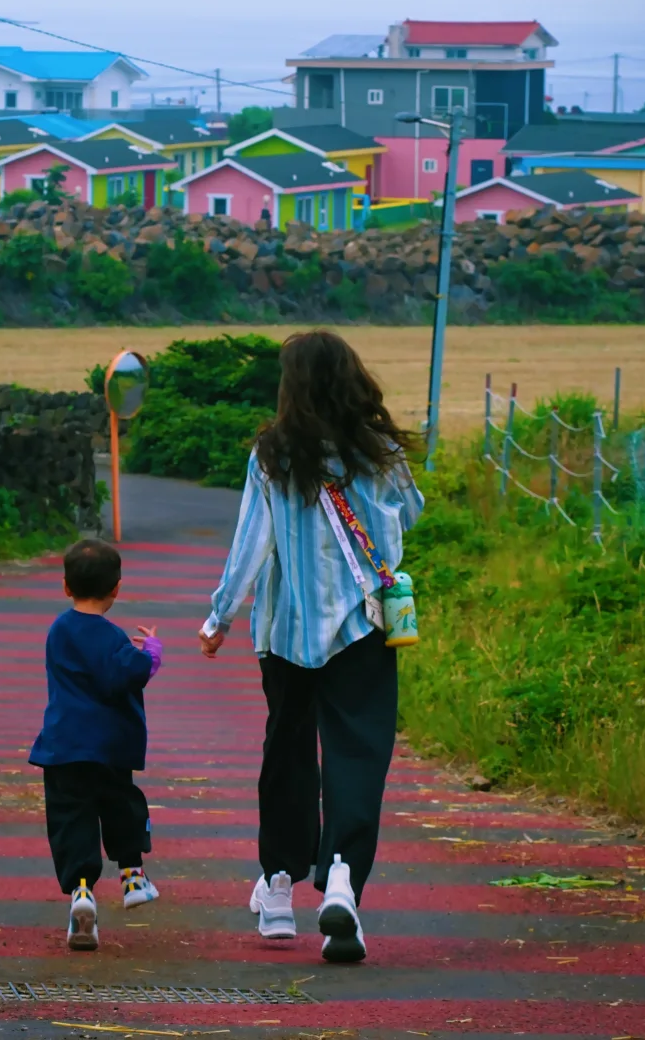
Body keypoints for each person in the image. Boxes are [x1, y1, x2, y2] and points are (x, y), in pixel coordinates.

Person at [199, 330, 424, 964]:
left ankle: (277, 890)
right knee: (356, 755)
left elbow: (252, 543)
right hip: (363, 627)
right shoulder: (378, 449)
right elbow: (410, 513)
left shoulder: (272, 453)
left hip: (285, 633)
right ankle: (344, 881)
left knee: (288, 750)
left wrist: (219, 616)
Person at [29, 538, 163, 951]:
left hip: (65, 746)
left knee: (72, 818)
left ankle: (82, 892)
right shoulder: (113, 638)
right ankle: (131, 874)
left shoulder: (58, 631)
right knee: (121, 804)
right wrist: (152, 653)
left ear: (66, 587)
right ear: (117, 588)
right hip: (110, 747)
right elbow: (128, 673)